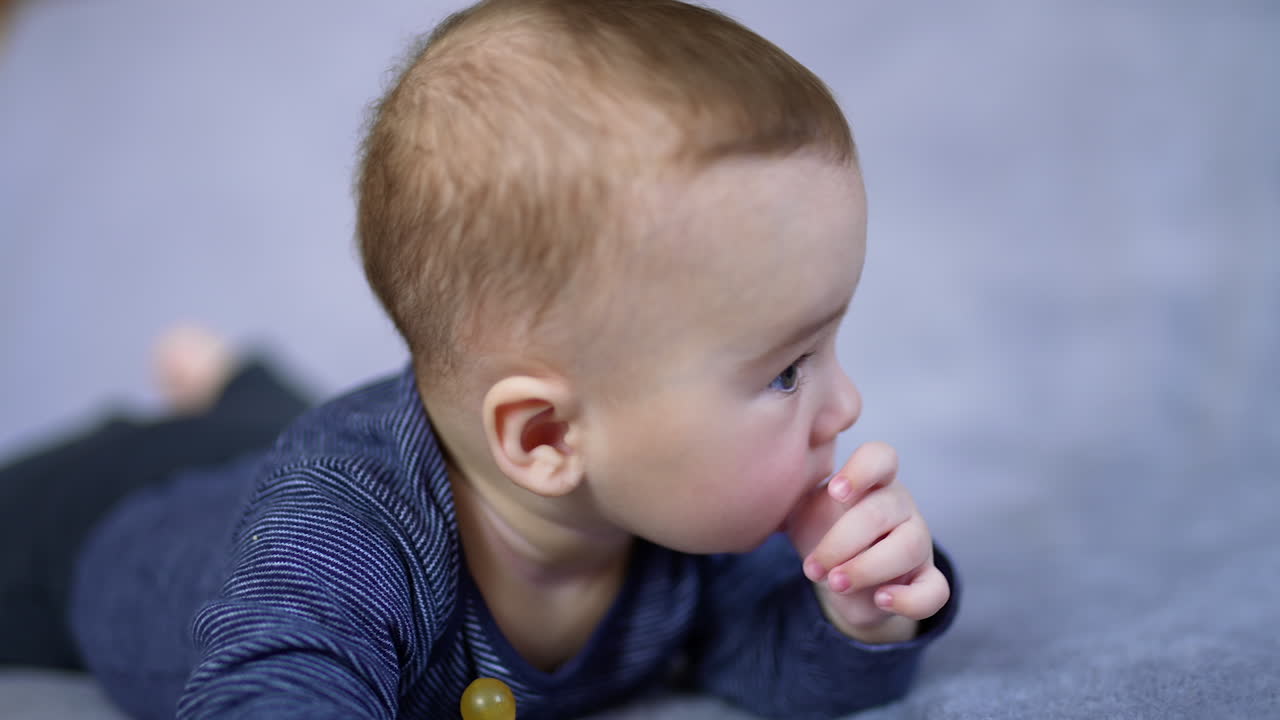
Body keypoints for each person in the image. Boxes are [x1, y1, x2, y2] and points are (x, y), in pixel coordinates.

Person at [1, 1, 960, 718]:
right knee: (283, 450)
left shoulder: (682, 510)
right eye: (789, 370)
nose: (847, 404)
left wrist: (858, 618)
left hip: (310, 445)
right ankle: (213, 392)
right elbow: (268, 685)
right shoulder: (340, 541)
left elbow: (769, 661)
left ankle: (227, 382)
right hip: (111, 519)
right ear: (545, 437)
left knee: (283, 425)